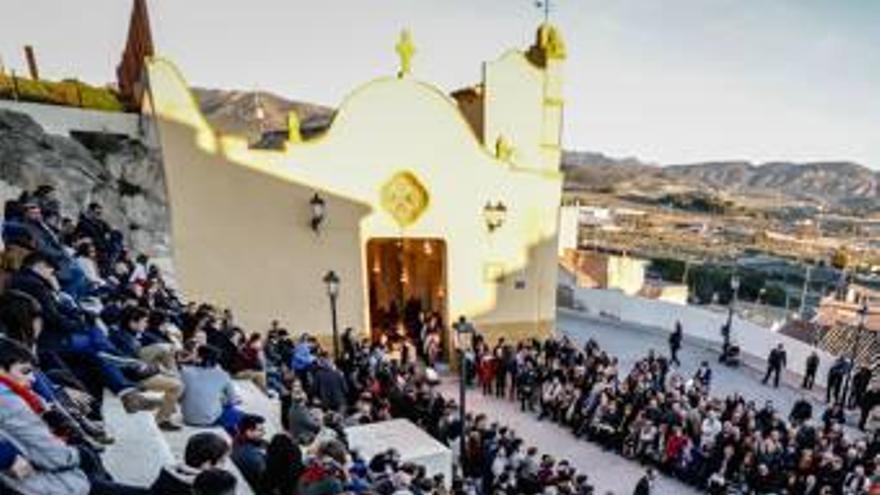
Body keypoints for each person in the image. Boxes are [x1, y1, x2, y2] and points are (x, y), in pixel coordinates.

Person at [179, 345, 249, 435]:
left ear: (199, 357)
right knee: (239, 414)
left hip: (188, 417)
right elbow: (232, 399)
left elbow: (181, 396)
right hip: (210, 419)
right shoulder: (223, 374)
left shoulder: (185, 372)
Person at [150, 432, 231, 495]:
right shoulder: (199, 489)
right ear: (207, 464)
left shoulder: (170, 475)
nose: (224, 465)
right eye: (222, 461)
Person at [230, 415, 267, 490]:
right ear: (248, 432)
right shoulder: (252, 456)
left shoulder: (238, 440)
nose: (264, 432)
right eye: (260, 430)